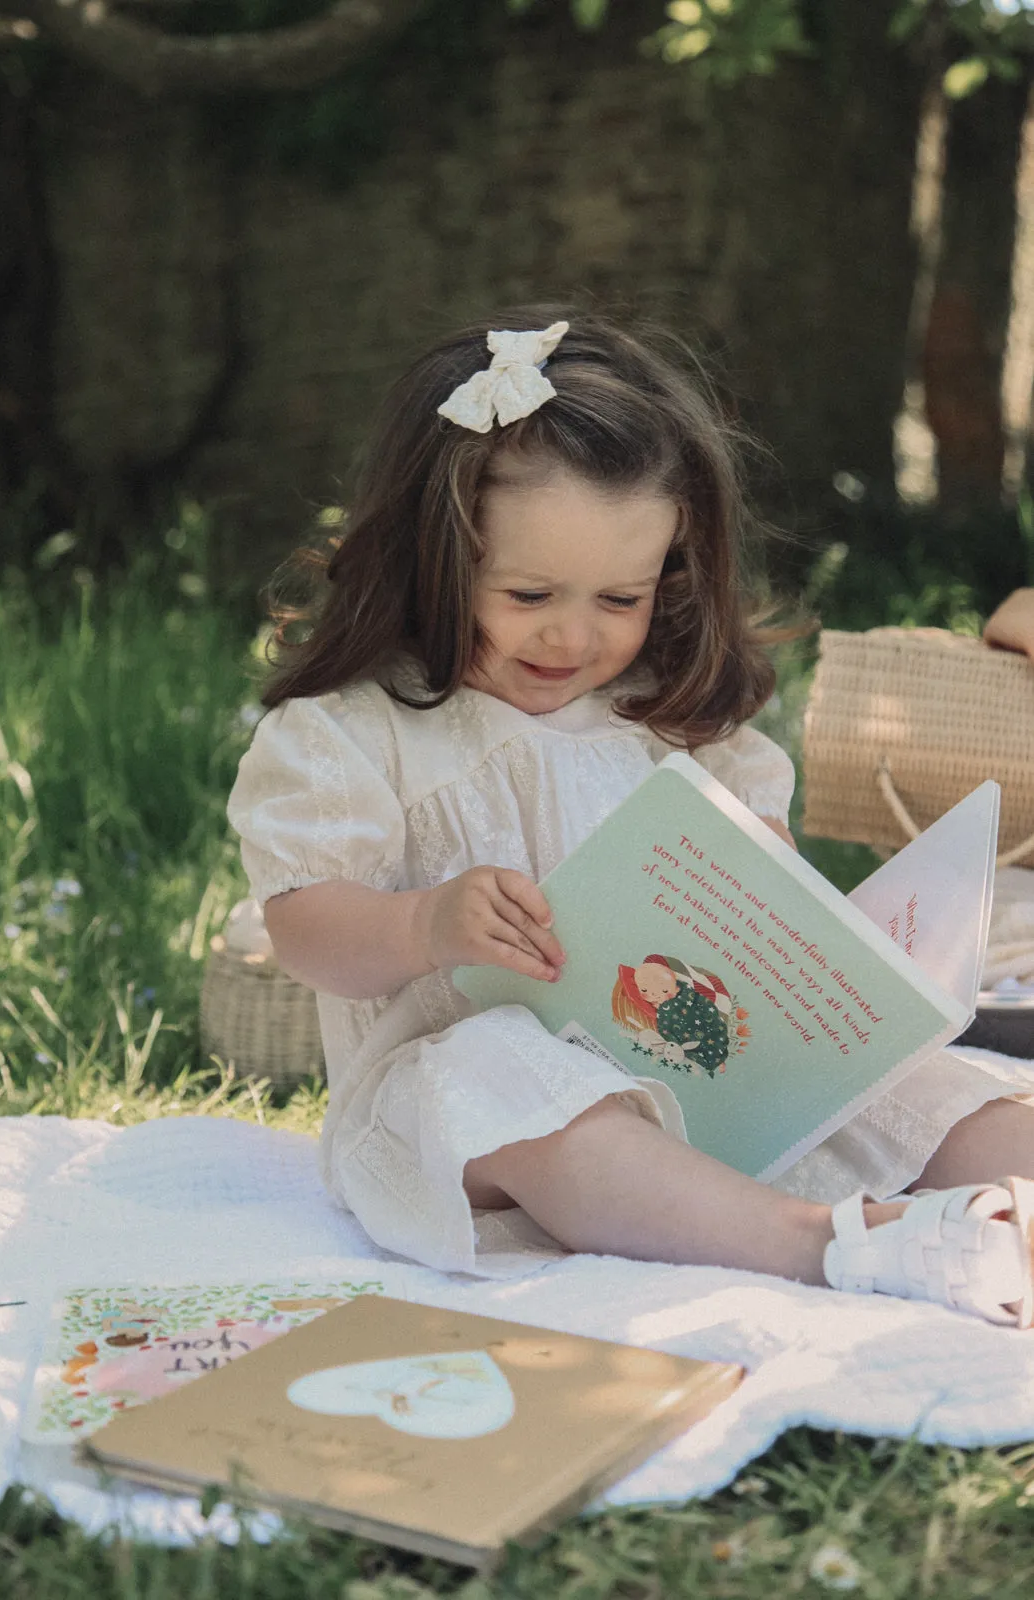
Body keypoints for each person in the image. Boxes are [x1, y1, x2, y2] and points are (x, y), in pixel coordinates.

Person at [228, 310, 1034, 1325]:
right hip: (466, 1104)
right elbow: (303, 930)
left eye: (620, 596)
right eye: (527, 593)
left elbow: (760, 888)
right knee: (510, 1075)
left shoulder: (668, 718)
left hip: (715, 1073)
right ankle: (822, 1243)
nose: (573, 634)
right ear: (429, 558)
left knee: (916, 1092)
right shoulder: (352, 734)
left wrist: (794, 923)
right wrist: (420, 924)